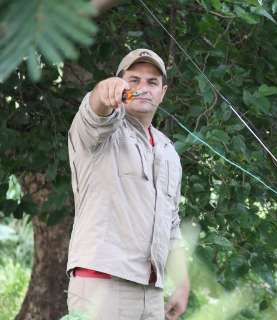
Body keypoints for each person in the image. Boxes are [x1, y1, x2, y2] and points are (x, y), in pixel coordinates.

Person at [66, 48, 189, 320]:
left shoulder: (169, 151)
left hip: (151, 293)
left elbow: (172, 224)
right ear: (120, 85)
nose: (142, 87)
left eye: (152, 82)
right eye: (133, 80)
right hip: (102, 283)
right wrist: (103, 91)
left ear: (163, 93)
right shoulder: (99, 132)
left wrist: (181, 283)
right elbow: (94, 111)